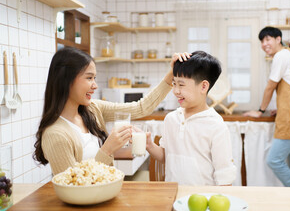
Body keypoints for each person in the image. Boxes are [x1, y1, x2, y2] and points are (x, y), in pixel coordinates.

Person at [33, 47, 190, 175]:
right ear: (66, 80)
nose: (95, 85)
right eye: (89, 78)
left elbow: (141, 107)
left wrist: (172, 74)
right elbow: (72, 185)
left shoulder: (92, 109)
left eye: (94, 78)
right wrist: (107, 149)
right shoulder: (55, 134)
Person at [146, 51, 237, 186]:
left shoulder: (215, 125)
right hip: (174, 197)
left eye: (181, 85)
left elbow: (224, 175)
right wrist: (149, 145)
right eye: (174, 83)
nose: (176, 91)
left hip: (204, 200)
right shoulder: (171, 119)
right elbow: (166, 157)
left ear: (204, 86)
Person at [243, 27, 290, 187]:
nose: (264, 44)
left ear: (278, 39)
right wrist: (283, 107)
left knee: (274, 160)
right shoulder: (289, 55)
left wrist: (260, 111)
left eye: (268, 39)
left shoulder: (281, 56)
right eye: (262, 41)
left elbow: (270, 87)